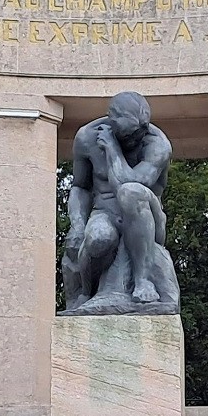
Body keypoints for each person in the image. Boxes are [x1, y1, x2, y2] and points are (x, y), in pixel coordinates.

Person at [63, 91, 174, 310]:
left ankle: (143, 281)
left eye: (138, 135)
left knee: (131, 193)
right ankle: (86, 292)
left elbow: (129, 184)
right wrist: (77, 225)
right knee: (98, 238)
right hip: (104, 211)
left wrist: (113, 149)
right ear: (111, 122)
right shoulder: (86, 137)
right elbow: (80, 187)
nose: (134, 141)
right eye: (127, 137)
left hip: (147, 216)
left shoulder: (158, 145)